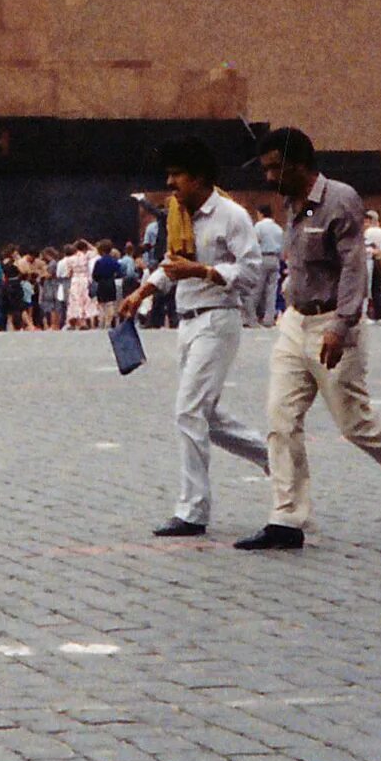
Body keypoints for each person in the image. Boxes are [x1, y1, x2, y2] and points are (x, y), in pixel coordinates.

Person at [241, 127, 381, 551]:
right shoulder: (290, 203)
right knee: (280, 421)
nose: (268, 178)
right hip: (295, 324)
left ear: (299, 165)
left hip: (334, 326)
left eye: (274, 168)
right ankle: (287, 519)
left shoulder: (341, 199)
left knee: (355, 422)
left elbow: (355, 267)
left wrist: (341, 325)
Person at [111, 139, 271, 539]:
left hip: (219, 318)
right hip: (187, 321)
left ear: (198, 177)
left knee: (187, 411)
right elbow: (172, 267)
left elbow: (251, 271)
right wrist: (141, 294)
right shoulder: (178, 215)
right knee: (206, 416)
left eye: (176, 175)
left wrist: (203, 272)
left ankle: (193, 511)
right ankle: (277, 459)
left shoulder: (232, 215)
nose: (170, 183)